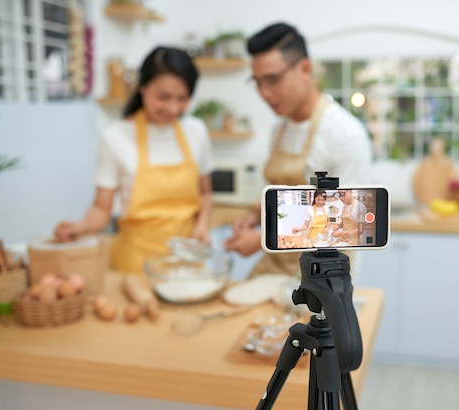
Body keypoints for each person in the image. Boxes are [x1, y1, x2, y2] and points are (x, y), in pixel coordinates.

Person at [225, 22, 372, 278]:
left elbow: (348, 222)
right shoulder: (280, 128)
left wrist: (264, 237)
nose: (264, 92)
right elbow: (284, 199)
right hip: (276, 269)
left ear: (305, 68)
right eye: (257, 82)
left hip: (325, 275)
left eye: (272, 79)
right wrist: (255, 216)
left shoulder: (344, 134)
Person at [54, 46, 213, 274]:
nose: (173, 108)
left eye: (182, 99)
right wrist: (81, 227)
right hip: (135, 265)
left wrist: (202, 224)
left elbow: (205, 193)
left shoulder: (196, 131)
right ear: (142, 88)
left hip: (188, 263)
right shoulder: (115, 137)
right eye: (164, 97)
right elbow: (101, 208)